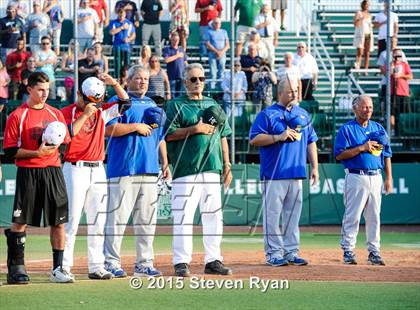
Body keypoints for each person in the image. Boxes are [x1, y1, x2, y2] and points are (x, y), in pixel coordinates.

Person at [3, 71, 72, 284]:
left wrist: (53, 147)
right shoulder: (17, 116)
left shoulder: (55, 114)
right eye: (40, 89)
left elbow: (66, 141)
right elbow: (10, 151)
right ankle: (16, 268)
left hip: (53, 171)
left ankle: (58, 269)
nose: (44, 94)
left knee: (58, 222)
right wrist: (36, 153)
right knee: (20, 222)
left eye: (47, 89)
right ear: (29, 89)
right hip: (28, 172)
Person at [165, 63, 233, 277]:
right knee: (183, 216)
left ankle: (213, 260)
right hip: (186, 169)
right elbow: (167, 134)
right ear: (185, 82)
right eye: (193, 79)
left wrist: (227, 164)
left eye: (201, 79)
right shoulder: (175, 105)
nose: (198, 83)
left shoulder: (213, 104)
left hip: (212, 168)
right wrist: (195, 129)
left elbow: (223, 136)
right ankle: (181, 262)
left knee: (213, 216)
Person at [61, 74, 129, 281]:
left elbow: (126, 103)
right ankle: (63, 266)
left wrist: (114, 83)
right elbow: (66, 137)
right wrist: (84, 114)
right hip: (74, 167)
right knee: (71, 221)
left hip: (98, 168)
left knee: (98, 220)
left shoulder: (102, 111)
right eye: (89, 100)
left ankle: (96, 266)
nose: (92, 104)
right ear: (80, 94)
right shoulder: (66, 112)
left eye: (96, 100)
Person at [104, 65, 170, 278]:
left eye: (146, 79)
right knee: (117, 218)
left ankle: (144, 263)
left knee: (147, 221)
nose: (143, 82)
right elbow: (108, 128)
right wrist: (135, 126)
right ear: (128, 79)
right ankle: (111, 262)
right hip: (124, 168)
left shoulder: (152, 103)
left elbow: (159, 137)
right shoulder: (118, 101)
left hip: (149, 168)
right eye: (138, 78)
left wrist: (165, 161)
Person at [249, 76, 319, 267]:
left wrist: (314, 167)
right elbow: (254, 139)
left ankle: (291, 252)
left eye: (296, 90)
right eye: (290, 91)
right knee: (272, 216)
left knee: (293, 217)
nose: (295, 94)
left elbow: (311, 141)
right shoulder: (267, 114)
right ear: (280, 93)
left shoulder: (302, 113)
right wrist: (278, 137)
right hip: (273, 174)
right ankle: (273, 253)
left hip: (296, 172)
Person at [335, 94, 392, 265]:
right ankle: (348, 250)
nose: (368, 110)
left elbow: (387, 154)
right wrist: (362, 148)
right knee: (352, 215)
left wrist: (389, 178)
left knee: (374, 216)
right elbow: (339, 155)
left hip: (376, 176)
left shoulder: (379, 128)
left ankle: (374, 252)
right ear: (355, 108)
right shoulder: (346, 129)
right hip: (355, 176)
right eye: (364, 107)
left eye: (371, 107)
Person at [385, 49, 413, 135]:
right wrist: (391, 69)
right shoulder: (389, 65)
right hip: (393, 92)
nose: (397, 57)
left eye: (399, 55)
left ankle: (406, 130)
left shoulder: (405, 65)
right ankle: (392, 130)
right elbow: (385, 74)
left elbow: (410, 76)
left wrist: (401, 75)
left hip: (403, 92)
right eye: (395, 55)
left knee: (405, 112)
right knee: (392, 112)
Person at [109, 8, 135, 80]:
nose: (121, 16)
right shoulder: (113, 22)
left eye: (123, 14)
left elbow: (133, 34)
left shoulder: (129, 23)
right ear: (118, 14)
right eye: (120, 14)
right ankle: (118, 79)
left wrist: (128, 39)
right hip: (116, 47)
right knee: (118, 64)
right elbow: (112, 32)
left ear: (125, 15)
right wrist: (122, 27)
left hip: (126, 48)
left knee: (127, 65)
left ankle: (126, 79)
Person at [206, 17, 230, 89]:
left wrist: (221, 52)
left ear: (220, 24)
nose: (217, 24)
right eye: (215, 23)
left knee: (221, 71)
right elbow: (207, 44)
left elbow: (228, 45)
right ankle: (212, 89)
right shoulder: (209, 32)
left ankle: (221, 88)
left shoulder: (224, 32)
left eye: (218, 23)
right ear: (213, 24)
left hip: (222, 53)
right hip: (212, 53)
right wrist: (217, 51)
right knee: (213, 72)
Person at [254, 4, 280, 69]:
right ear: (262, 9)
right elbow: (257, 27)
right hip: (261, 38)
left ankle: (271, 68)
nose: (265, 10)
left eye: (267, 9)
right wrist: (265, 24)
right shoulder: (258, 17)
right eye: (264, 9)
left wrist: (276, 39)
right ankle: (261, 68)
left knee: (271, 54)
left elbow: (276, 30)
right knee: (261, 54)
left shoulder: (272, 18)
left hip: (270, 38)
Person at [163, 32, 187, 98]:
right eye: (174, 40)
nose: (176, 41)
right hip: (171, 77)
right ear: (171, 40)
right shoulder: (167, 49)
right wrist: (177, 55)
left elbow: (185, 62)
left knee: (180, 97)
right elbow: (166, 60)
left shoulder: (181, 49)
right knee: (172, 97)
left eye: (177, 40)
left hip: (181, 77)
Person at [353, 0, 373, 73]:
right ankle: (357, 67)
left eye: (368, 5)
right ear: (363, 5)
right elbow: (355, 24)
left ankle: (366, 69)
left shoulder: (369, 15)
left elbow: (370, 25)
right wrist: (361, 19)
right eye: (366, 4)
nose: (367, 6)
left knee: (367, 52)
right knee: (360, 52)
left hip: (368, 34)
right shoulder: (359, 13)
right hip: (360, 34)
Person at [34, 36, 57, 100]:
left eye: (47, 43)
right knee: (40, 96)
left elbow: (55, 65)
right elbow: (36, 63)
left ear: (50, 44)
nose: (45, 45)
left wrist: (42, 63)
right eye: (43, 43)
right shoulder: (37, 52)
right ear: (41, 44)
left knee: (52, 96)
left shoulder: (53, 53)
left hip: (51, 78)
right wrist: (46, 61)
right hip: (40, 78)